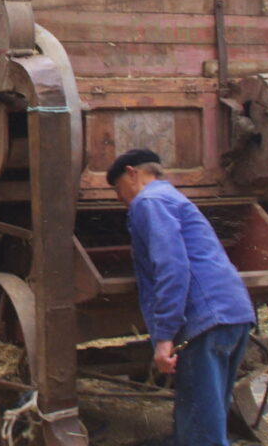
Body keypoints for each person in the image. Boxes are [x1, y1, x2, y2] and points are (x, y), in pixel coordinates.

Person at [107, 148, 254, 445]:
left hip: (205, 320)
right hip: (233, 312)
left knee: (201, 432)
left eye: (118, 187)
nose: (119, 197)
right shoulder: (173, 197)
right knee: (209, 420)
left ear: (132, 173)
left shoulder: (149, 202)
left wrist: (164, 337)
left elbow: (172, 268)